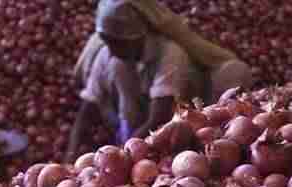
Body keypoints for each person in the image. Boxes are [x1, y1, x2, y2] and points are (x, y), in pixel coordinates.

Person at [65, 0, 252, 162]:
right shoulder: (111, 54)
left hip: (179, 127)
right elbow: (86, 111)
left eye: (117, 42)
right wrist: (71, 155)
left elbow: (159, 117)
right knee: (117, 67)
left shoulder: (170, 53)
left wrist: (122, 154)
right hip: (137, 133)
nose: (111, 49)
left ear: (137, 36)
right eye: (108, 42)